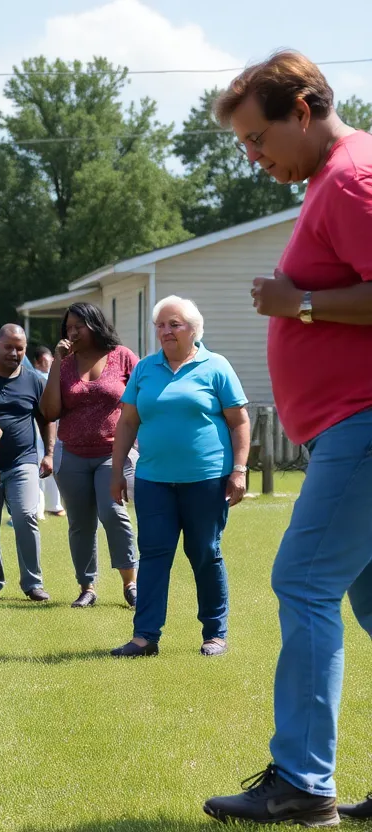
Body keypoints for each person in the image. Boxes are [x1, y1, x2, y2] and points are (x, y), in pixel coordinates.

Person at [203, 51, 372, 827]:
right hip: (349, 426)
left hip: (363, 425)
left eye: (257, 135)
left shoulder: (349, 179)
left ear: (302, 110)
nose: (252, 154)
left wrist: (298, 303)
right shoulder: (328, 180)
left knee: (302, 581)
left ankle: (303, 785)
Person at [107, 297, 249, 659]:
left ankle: (215, 633)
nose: (166, 331)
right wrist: (117, 470)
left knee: (204, 552)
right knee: (153, 554)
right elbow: (127, 422)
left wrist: (239, 470)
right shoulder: (145, 369)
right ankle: (145, 636)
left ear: (193, 329)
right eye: (161, 325)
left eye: (174, 324)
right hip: (154, 480)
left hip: (207, 479)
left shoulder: (216, 366)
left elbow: (239, 422)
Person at [40, 302, 139, 609]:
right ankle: (87, 586)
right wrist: (57, 362)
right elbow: (50, 411)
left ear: (94, 325)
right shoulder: (65, 363)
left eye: (77, 326)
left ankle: (131, 583)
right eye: (68, 328)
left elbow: (142, 395)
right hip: (72, 456)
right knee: (80, 523)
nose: (72, 333)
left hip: (114, 452)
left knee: (112, 512)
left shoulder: (121, 356)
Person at [0, 325, 53, 602]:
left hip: (23, 462)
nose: (14, 353)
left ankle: (33, 583)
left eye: (20, 348)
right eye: (9, 347)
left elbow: (45, 420)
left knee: (26, 516)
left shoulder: (34, 381)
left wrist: (49, 453)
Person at [29, 344, 65, 518]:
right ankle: (36, 509)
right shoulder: (34, 379)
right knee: (36, 468)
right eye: (44, 362)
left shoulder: (56, 376)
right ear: (36, 363)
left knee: (52, 466)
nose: (47, 364)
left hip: (54, 428)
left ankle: (54, 505)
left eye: (50, 361)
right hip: (37, 430)